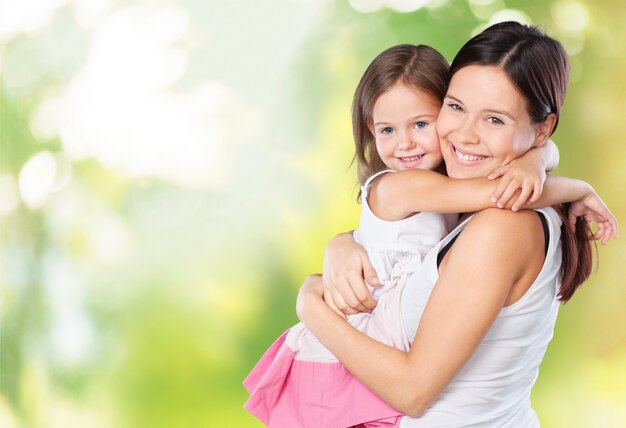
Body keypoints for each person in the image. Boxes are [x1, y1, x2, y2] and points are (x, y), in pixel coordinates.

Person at [244, 36, 616, 427]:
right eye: (456, 108)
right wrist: (344, 243)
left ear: (543, 128)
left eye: (494, 119)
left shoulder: (503, 223)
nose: (465, 134)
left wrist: (310, 303)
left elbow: (413, 392)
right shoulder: (486, 203)